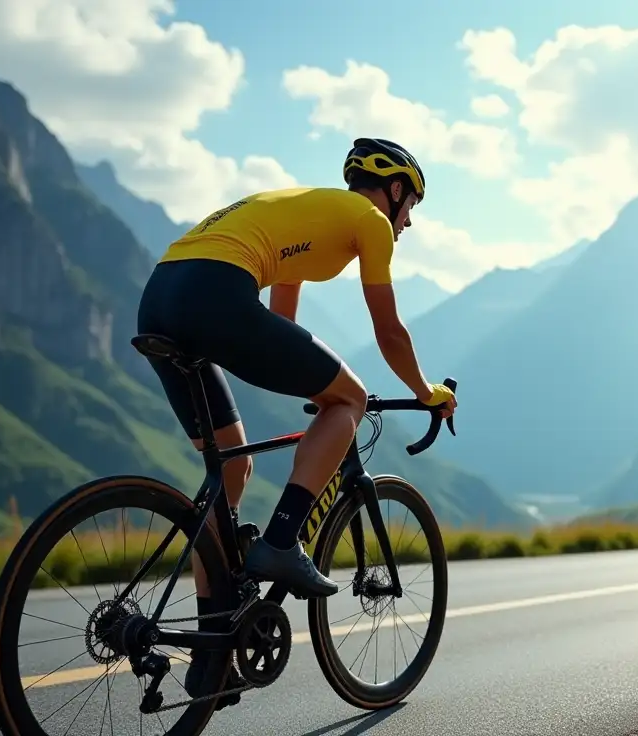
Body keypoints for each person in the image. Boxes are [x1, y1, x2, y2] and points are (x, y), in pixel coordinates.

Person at [135, 138, 456, 706]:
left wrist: (310, 386)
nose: (408, 224)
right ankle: (283, 540)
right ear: (396, 190)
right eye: (412, 209)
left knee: (231, 470)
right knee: (351, 398)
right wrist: (425, 393)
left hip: (163, 293)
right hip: (216, 292)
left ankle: (212, 654)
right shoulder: (369, 221)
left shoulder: (311, 215)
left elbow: (281, 321)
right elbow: (389, 332)